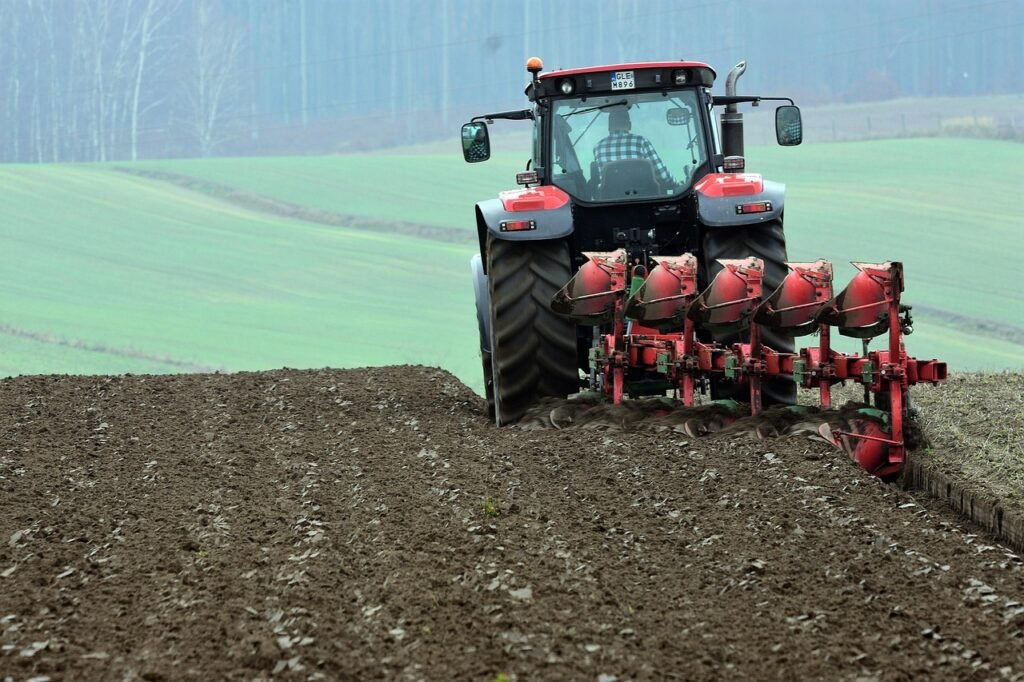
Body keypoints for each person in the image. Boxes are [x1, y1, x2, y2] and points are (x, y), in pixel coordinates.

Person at [593, 108, 674, 187]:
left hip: (610, 199)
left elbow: (599, 180)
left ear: (609, 127)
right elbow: (662, 175)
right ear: (630, 125)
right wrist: (675, 184)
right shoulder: (641, 141)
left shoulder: (598, 147)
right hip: (643, 198)